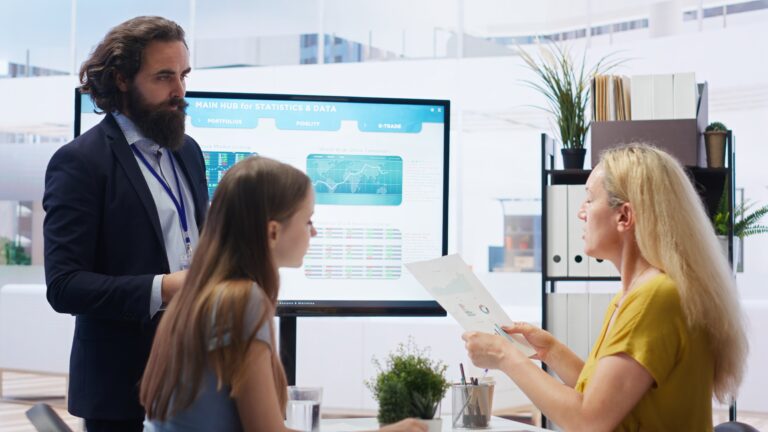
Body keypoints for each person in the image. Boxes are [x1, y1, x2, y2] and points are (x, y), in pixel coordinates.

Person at [462, 144, 748, 431]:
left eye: (589, 199)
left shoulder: (656, 297)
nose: (580, 213)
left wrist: (504, 356)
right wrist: (551, 350)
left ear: (624, 216)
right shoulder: (636, 294)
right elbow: (606, 399)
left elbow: (589, 420)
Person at [139, 156, 425, 432]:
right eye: (308, 221)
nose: (314, 232)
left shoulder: (197, 294)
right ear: (273, 232)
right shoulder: (242, 301)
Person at [43, 16, 207, 432]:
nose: (179, 91)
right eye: (164, 77)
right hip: (121, 389)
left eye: (184, 75)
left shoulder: (189, 152)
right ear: (121, 79)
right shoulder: (80, 162)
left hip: (199, 375)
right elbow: (64, 285)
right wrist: (166, 287)